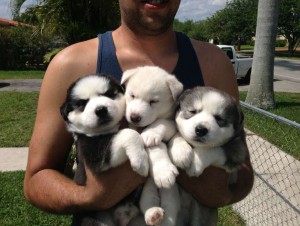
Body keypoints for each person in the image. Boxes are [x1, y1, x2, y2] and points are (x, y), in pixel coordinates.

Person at [24, 0, 254, 224]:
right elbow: (36, 178)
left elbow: (243, 172)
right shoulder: (71, 63)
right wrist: (90, 196)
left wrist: (221, 192)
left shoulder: (213, 63)